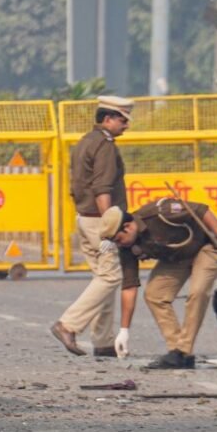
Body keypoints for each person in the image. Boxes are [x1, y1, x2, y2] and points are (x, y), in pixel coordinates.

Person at [101, 200, 217, 369]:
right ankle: (178, 351)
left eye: (118, 239)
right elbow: (129, 287)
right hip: (177, 259)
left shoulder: (160, 212)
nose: (118, 244)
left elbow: (202, 210)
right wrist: (124, 330)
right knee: (154, 294)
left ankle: (182, 351)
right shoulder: (127, 247)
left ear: (128, 227)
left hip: (206, 248)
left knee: (197, 292)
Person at [51, 96, 133, 357]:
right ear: (107, 119)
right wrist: (111, 227)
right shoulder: (105, 145)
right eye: (122, 119)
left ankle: (104, 341)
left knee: (103, 278)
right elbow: (102, 188)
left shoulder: (85, 141)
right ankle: (68, 324)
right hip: (101, 221)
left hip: (85, 218)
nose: (126, 125)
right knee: (112, 276)